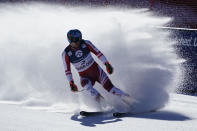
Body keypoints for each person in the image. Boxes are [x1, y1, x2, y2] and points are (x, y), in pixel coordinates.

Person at [62, 29, 129, 103]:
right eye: (76, 39)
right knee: (87, 87)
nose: (79, 41)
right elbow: (67, 70)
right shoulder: (66, 53)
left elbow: (98, 53)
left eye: (80, 38)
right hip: (85, 76)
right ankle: (104, 105)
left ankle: (128, 99)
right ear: (70, 40)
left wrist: (107, 64)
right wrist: (71, 83)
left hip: (97, 71)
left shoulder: (86, 43)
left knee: (110, 88)